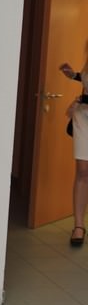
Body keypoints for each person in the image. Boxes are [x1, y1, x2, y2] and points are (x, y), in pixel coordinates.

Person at [60, 61, 88, 246]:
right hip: (83, 117)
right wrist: (75, 75)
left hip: (83, 106)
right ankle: (78, 226)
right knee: (82, 171)